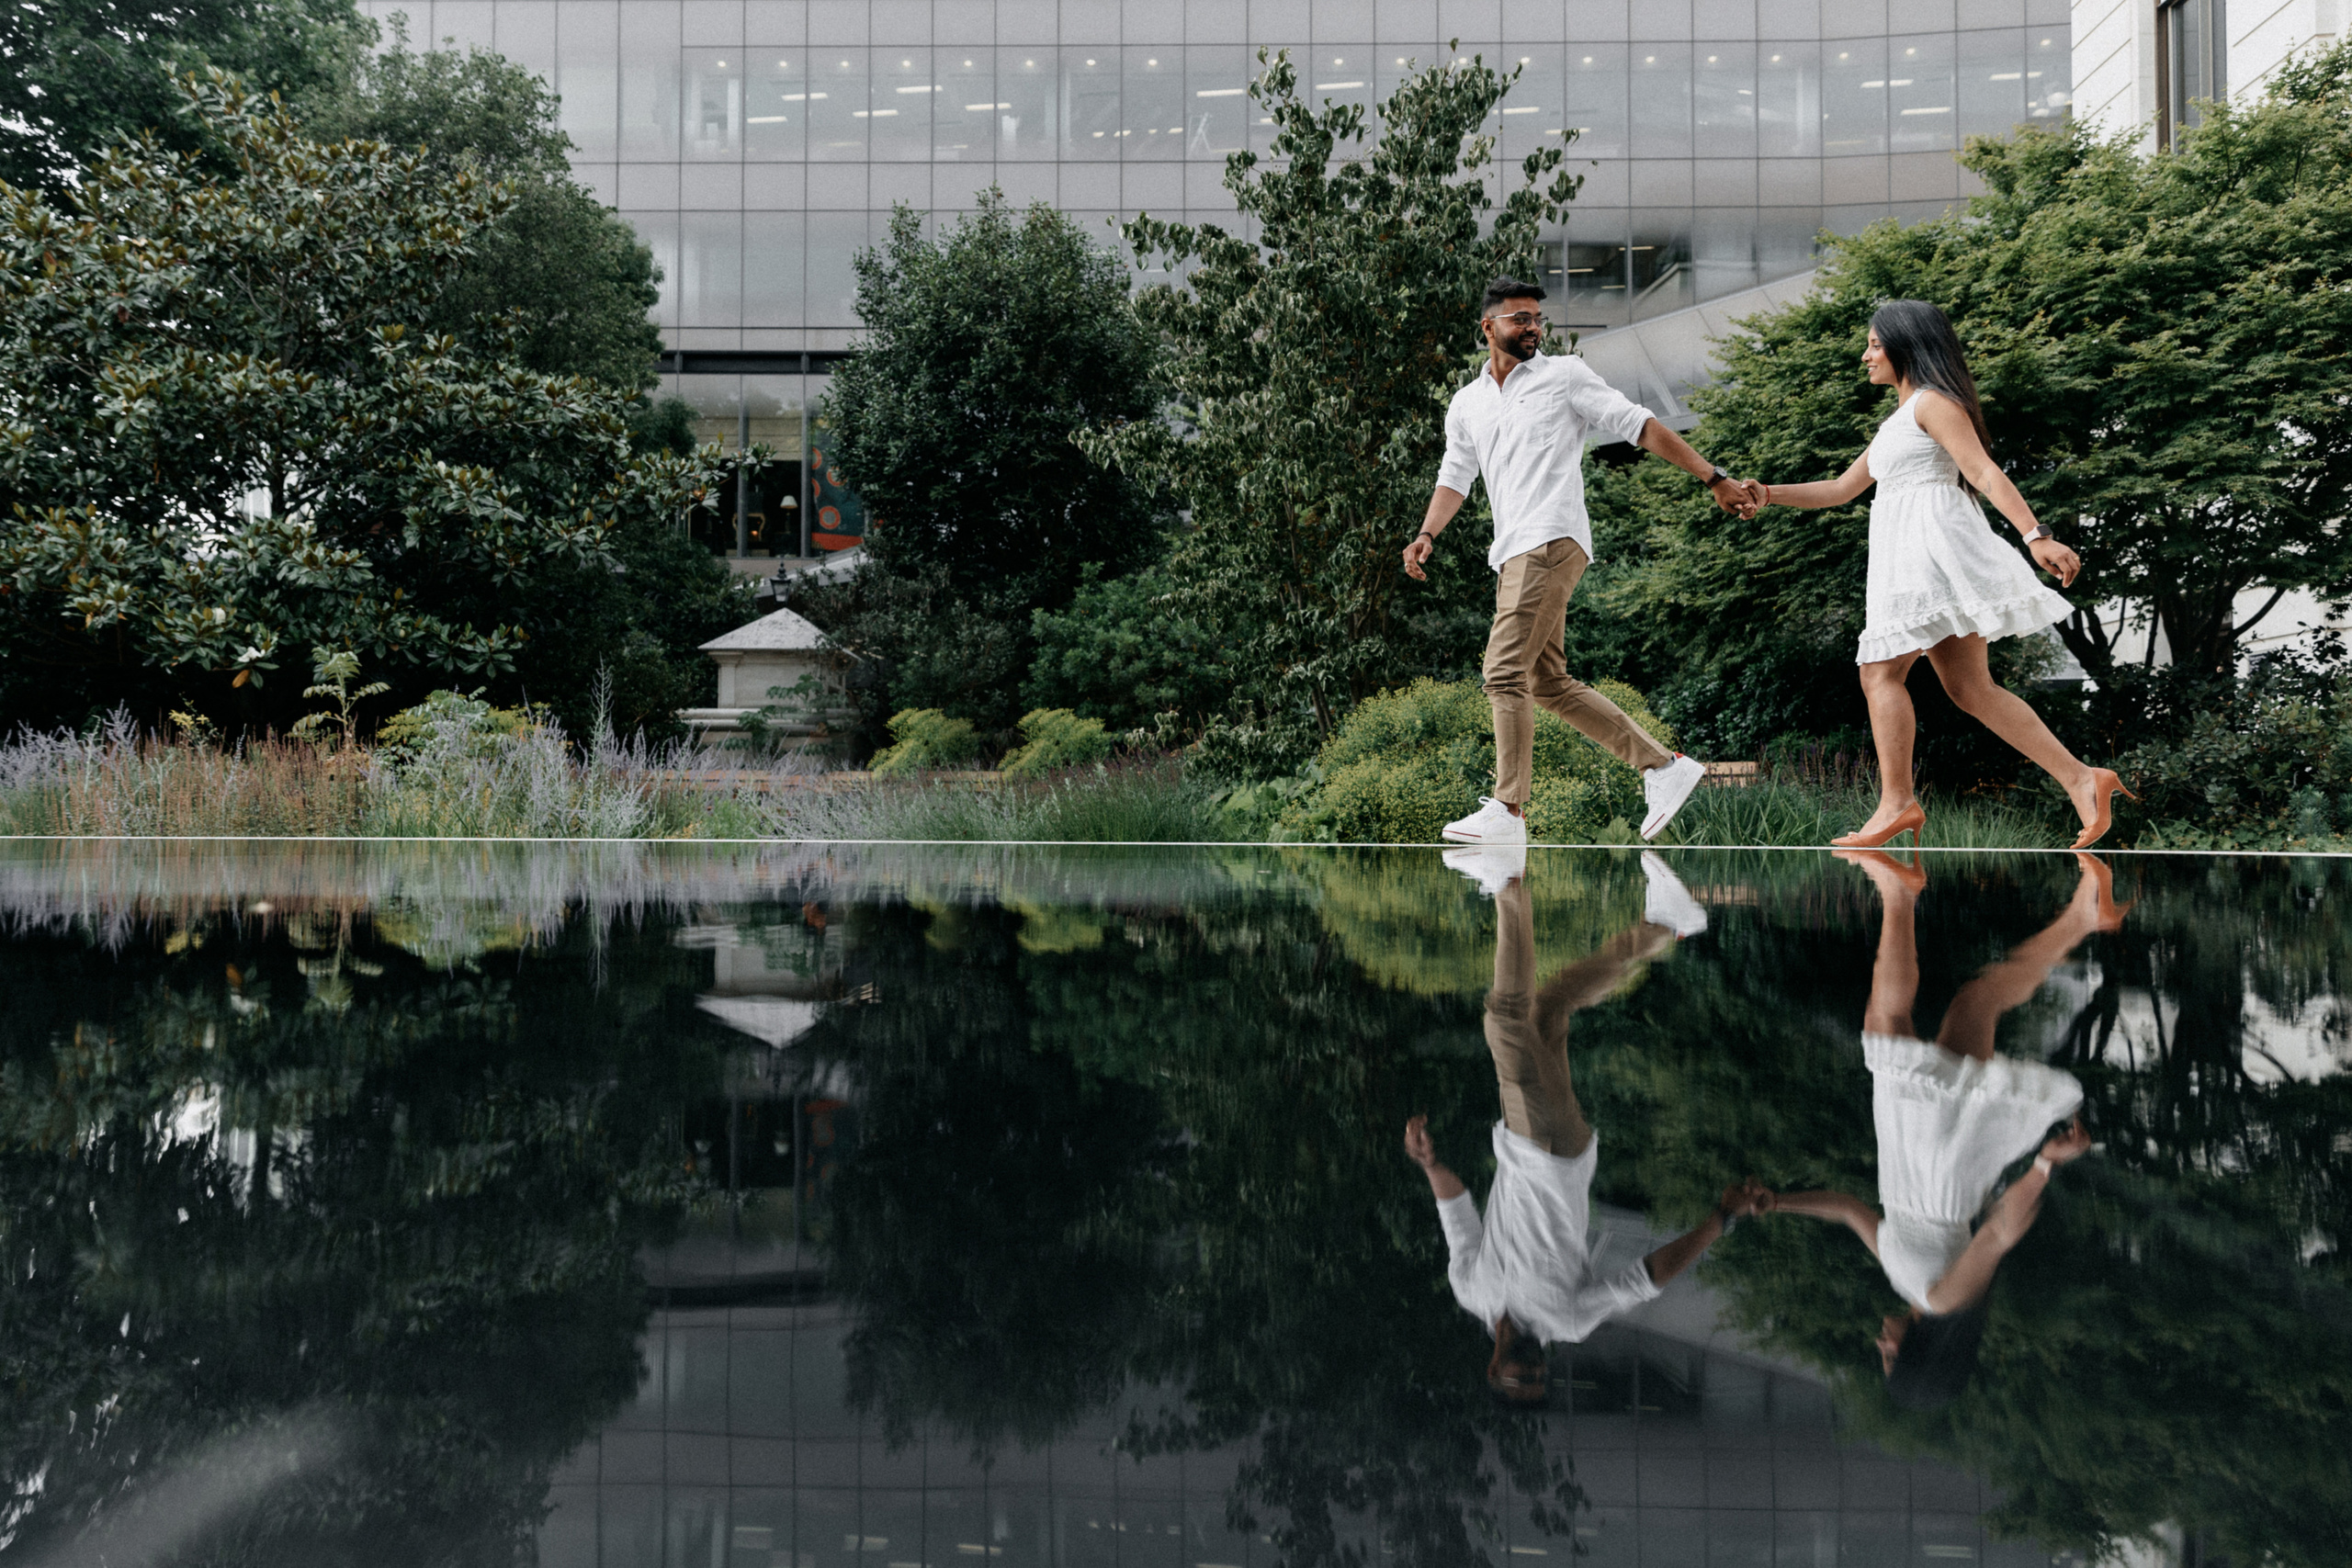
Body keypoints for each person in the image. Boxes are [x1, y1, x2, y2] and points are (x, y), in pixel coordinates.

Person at [1744, 299, 2134, 849]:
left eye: (1875, 344)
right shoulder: (1895, 424)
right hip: (1911, 557)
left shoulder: (1933, 403)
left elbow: (1982, 472)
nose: (1866, 356)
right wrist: (1766, 494)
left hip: (1929, 555)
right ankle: (2081, 777)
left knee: (1879, 674)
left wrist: (2035, 535)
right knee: (1971, 687)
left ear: (1907, 345)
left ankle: (1898, 803)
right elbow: (1838, 490)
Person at [1757, 848, 2123, 1409]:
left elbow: (1850, 1211)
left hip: (1917, 1156)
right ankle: (1898, 890)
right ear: (1918, 1353)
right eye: (1888, 1355)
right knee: (1886, 1028)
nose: (1880, 1343)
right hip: (1934, 1166)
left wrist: (1779, 1204)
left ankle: (2083, 919)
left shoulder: (1910, 1286)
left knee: (1974, 1004)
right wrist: (2045, 1165)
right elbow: (1998, 1234)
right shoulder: (1948, 1300)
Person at [1406, 844, 1768, 1403]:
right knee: (1504, 1020)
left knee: (1548, 1010)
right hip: (1550, 1152)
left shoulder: (1470, 1290)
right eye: (1540, 1378)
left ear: (1492, 1369)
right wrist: (1718, 1220)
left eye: (1518, 1376)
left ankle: (1663, 927)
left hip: (1527, 1142)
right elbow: (1643, 1281)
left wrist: (1431, 1166)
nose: (1533, 1370)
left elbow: (1457, 1215)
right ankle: (1509, 880)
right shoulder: (1568, 1321)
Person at [1406, 277, 1745, 846]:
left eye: (1538, 317)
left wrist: (1713, 477)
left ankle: (1508, 811)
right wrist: (1426, 533)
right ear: (1489, 328)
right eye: (1520, 318)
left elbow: (1637, 425)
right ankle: (1663, 766)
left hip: (1550, 539)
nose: (1534, 327)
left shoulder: (1565, 376)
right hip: (1514, 550)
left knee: (1503, 672)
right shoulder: (1467, 403)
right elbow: (1454, 476)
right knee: (1547, 682)